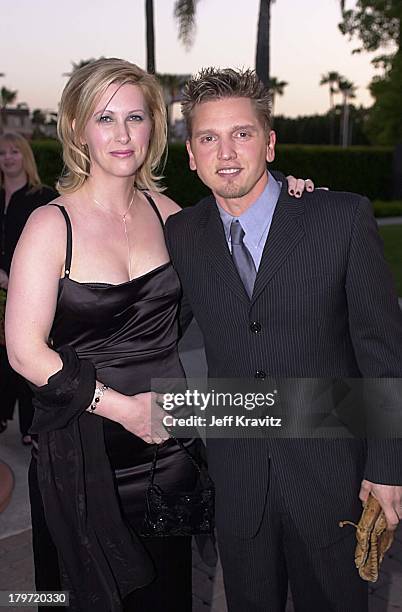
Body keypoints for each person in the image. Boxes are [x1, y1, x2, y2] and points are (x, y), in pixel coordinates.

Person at [4, 59, 311, 611]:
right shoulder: (50, 225)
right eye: (104, 118)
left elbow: (249, 252)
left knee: (167, 595)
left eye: (136, 117)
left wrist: (293, 199)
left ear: (154, 128)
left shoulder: (173, 216)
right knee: (69, 597)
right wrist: (122, 409)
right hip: (83, 455)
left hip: (167, 454)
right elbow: (25, 352)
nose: (122, 135)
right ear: (76, 128)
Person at [164, 67, 402, 612]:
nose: (226, 152)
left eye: (242, 133)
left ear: (270, 143)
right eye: (208, 137)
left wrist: (388, 468)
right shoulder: (183, 234)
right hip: (239, 481)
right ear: (193, 155)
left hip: (331, 478)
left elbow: (383, 352)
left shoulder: (339, 218)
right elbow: (154, 326)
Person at [0, 132, 56, 443]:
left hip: (29, 294)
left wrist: (15, 276)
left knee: (26, 357)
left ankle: (30, 428)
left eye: (14, 151)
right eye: (2, 153)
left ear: (25, 157)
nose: (8, 157)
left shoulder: (43, 198)